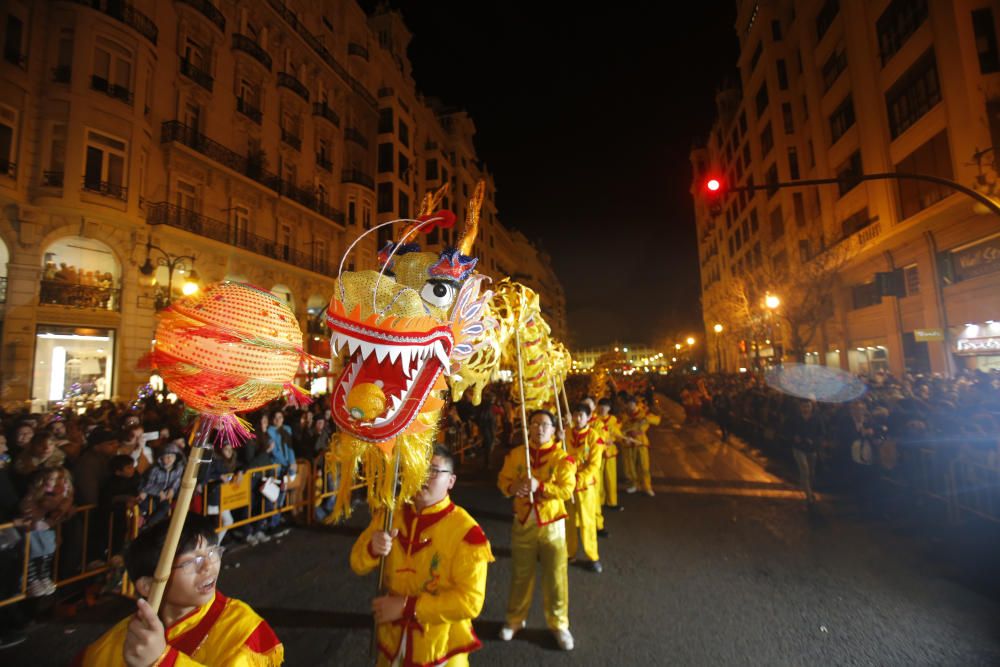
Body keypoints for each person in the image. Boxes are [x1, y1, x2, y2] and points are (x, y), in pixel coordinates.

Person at [73, 514, 283, 666]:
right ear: (147, 585)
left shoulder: (240, 628)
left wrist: (162, 660)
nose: (209, 566)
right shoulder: (121, 640)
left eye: (212, 553)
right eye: (193, 561)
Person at [351, 446, 493, 666]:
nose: (423, 476)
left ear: (451, 481)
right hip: (390, 642)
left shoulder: (467, 532)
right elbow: (357, 564)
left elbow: (470, 602)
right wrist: (372, 548)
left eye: (434, 471)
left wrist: (409, 607)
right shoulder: (390, 514)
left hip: (439, 647)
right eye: (417, 468)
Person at [497, 409, 576, 651]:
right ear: (527, 428)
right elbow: (502, 482)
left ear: (554, 429)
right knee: (521, 575)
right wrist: (514, 487)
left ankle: (559, 624)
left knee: (555, 577)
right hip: (523, 522)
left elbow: (566, 490)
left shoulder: (564, 459)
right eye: (534, 424)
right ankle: (514, 620)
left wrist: (539, 485)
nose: (539, 428)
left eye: (544, 424)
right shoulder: (517, 455)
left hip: (552, 525)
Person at [566, 403, 605, 571]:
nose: (577, 418)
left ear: (589, 417)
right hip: (567, 485)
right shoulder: (565, 433)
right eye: (575, 415)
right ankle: (569, 553)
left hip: (584, 486)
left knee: (587, 522)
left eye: (581, 415)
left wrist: (579, 477)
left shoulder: (594, 436)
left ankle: (592, 556)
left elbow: (594, 465)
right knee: (568, 521)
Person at [621, 396, 661, 496]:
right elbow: (619, 428)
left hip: (641, 442)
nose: (630, 406)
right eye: (628, 404)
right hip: (629, 442)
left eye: (632, 404)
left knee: (644, 465)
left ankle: (647, 486)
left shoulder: (644, 413)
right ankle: (634, 484)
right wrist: (625, 436)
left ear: (636, 404)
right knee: (631, 466)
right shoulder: (624, 416)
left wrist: (645, 419)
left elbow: (657, 420)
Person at [594, 398, 624, 515]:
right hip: (599, 453)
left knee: (611, 478)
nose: (603, 409)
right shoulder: (594, 420)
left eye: (605, 407)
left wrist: (614, 439)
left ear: (609, 408)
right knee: (599, 479)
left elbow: (618, 434)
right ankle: (600, 502)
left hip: (610, 453)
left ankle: (612, 502)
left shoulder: (613, 420)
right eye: (601, 406)